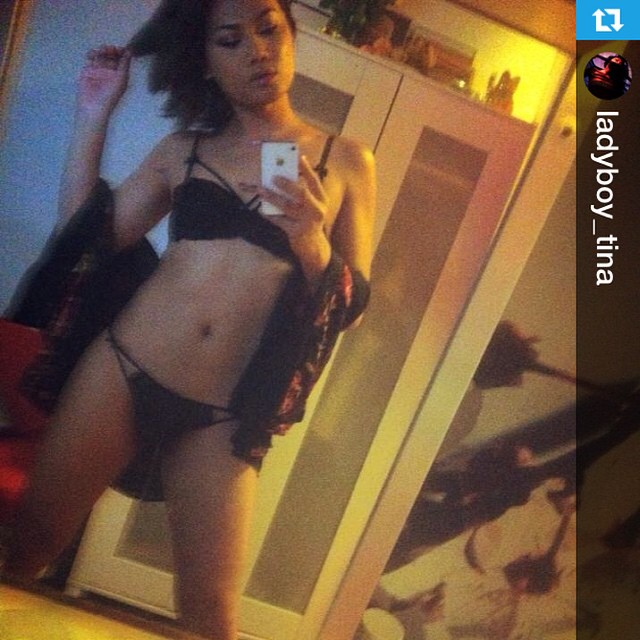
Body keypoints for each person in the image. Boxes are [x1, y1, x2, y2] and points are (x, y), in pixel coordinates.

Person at [2, 1, 375, 638]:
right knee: (27, 546)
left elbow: (351, 312)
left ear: (290, 35)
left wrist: (311, 241)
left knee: (211, 615)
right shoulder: (184, 150)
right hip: (124, 369)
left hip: (224, 412)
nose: (257, 50)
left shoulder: (346, 161)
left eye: (269, 28)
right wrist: (94, 113)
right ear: (204, 60)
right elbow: (85, 237)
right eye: (230, 40)